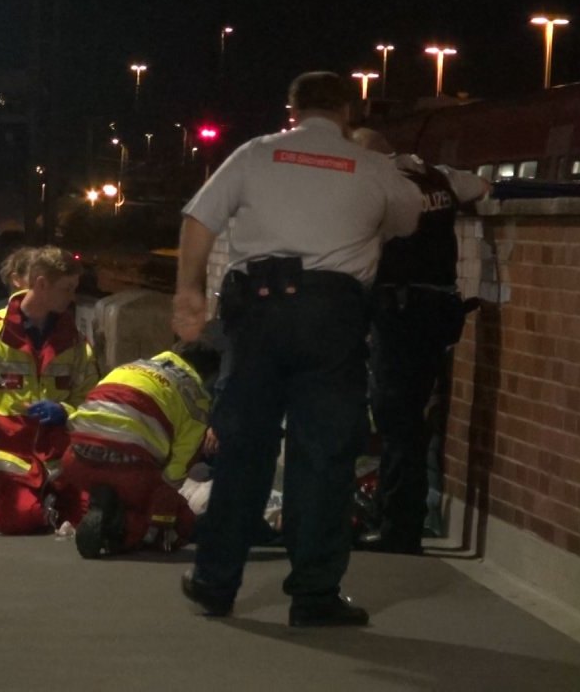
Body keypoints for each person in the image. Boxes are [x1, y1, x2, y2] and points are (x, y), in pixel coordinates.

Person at [171, 71, 423, 627]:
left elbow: (199, 216)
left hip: (255, 315)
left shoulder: (256, 154)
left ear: (292, 108)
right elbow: (408, 217)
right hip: (332, 318)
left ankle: (215, 583)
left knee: (242, 451)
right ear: (348, 111)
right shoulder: (371, 165)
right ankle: (313, 595)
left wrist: (188, 289)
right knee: (324, 457)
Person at [353, 128, 490, 555]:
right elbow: (483, 186)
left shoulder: (380, 188)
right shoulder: (439, 176)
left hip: (399, 314)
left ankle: (398, 528)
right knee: (413, 419)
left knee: (397, 423)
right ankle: (399, 520)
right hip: (439, 312)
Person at [0, 246, 99, 534]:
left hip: (56, 453)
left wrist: (64, 411)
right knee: (21, 519)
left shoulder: (76, 342)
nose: (72, 297)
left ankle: (44, 498)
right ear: (41, 284)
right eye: (67, 289)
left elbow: (91, 399)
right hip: (6, 450)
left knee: (86, 514)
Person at [61, 340, 220, 558]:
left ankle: (106, 509)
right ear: (209, 375)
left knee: (122, 487)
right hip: (129, 468)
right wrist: (162, 499)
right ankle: (129, 532)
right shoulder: (197, 397)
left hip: (77, 458)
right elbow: (181, 463)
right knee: (181, 518)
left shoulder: (132, 367)